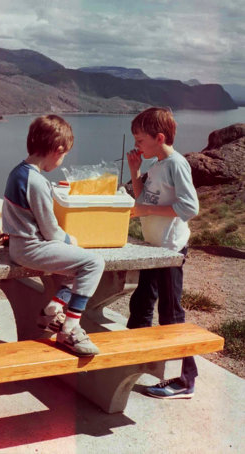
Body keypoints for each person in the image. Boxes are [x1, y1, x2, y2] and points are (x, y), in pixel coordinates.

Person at [2, 115, 105, 356]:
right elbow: (50, 231)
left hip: (19, 244)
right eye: (64, 155)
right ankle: (70, 328)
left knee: (75, 261)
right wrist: (71, 239)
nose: (62, 160)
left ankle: (51, 310)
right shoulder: (36, 182)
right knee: (93, 263)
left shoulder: (18, 171)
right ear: (57, 151)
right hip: (31, 248)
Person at [126, 107, 199, 399]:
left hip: (170, 249)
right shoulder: (157, 163)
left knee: (170, 312)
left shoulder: (176, 164)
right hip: (155, 249)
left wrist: (145, 210)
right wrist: (134, 171)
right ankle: (132, 363)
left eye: (140, 140)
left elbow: (189, 208)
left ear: (159, 137)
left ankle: (186, 380)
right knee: (141, 303)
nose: (137, 145)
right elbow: (142, 198)